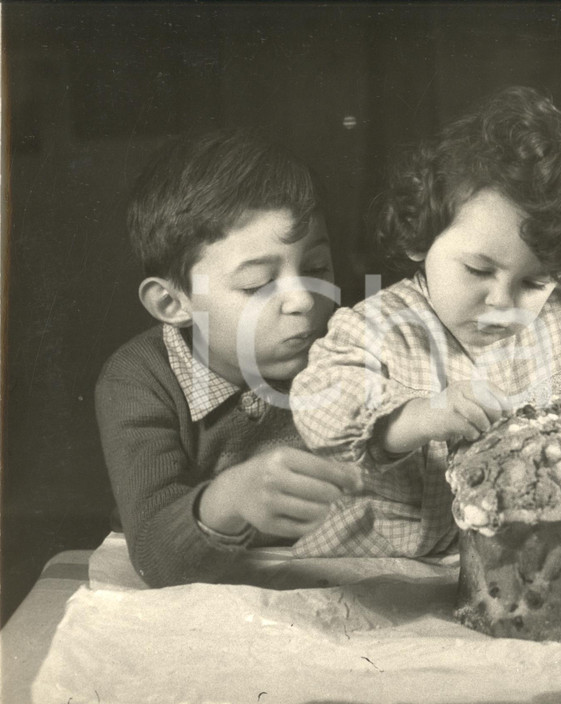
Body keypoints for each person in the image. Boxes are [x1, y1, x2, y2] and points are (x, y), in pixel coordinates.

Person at [290, 86, 561, 558]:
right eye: (478, 271)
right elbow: (319, 408)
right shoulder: (377, 326)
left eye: (534, 282)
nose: (502, 302)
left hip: (519, 560)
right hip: (379, 565)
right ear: (419, 240)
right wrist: (418, 417)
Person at [95, 129, 363, 587]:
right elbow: (155, 556)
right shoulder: (139, 381)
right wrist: (229, 499)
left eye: (317, 268)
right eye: (258, 284)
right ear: (171, 303)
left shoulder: (351, 345)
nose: (304, 300)